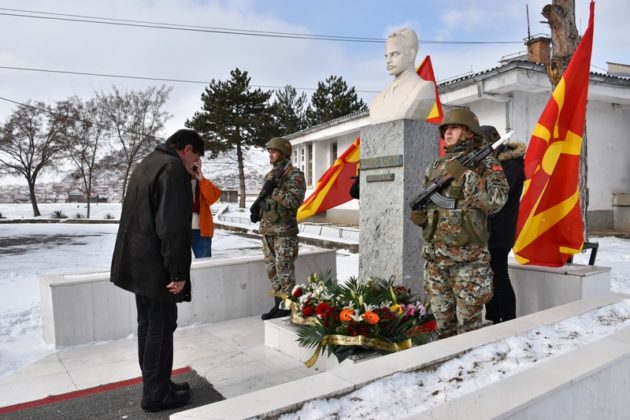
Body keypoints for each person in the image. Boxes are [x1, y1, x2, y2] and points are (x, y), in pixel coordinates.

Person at [110, 129, 204, 412]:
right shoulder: (172, 168)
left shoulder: (150, 161)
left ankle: (159, 384)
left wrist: (190, 177)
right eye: (196, 156)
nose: (196, 163)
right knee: (160, 328)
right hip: (156, 265)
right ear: (187, 149)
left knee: (150, 325)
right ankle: (155, 394)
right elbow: (172, 226)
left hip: (138, 261)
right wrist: (177, 272)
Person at [410, 109, 508, 338]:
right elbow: (432, 201)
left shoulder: (485, 163)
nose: (448, 132)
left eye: (454, 128)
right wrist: (422, 216)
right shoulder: (436, 165)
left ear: (468, 132)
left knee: (469, 327)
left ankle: (470, 371)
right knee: (443, 326)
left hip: (468, 262)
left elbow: (497, 201)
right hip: (436, 261)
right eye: (446, 129)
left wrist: (466, 176)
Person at [255, 137, 306, 320]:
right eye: (269, 151)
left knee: (284, 272)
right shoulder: (271, 175)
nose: (270, 154)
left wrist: (273, 191)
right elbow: (266, 199)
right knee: (272, 271)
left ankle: (288, 307)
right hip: (268, 231)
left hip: (284, 232)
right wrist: (257, 209)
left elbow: (294, 201)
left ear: (283, 153)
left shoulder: (294, 175)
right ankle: (279, 306)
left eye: (273, 151)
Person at [481, 125, 526, 324]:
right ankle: (493, 318)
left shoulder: (510, 166)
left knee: (499, 276)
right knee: (490, 277)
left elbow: (496, 197)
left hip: (499, 230)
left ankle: (508, 321)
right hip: (490, 229)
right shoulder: (497, 163)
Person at [369, 28, 435, 124]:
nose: (388, 61)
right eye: (386, 56)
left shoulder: (423, 89)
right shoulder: (377, 100)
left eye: (395, 54)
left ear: (411, 55)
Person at [190, 159, 222, 258]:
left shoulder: (204, 183)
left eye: (197, 161)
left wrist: (202, 179)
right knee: (179, 265)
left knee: (204, 261)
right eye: (192, 161)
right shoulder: (177, 182)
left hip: (201, 230)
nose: (194, 164)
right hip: (180, 229)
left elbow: (212, 198)